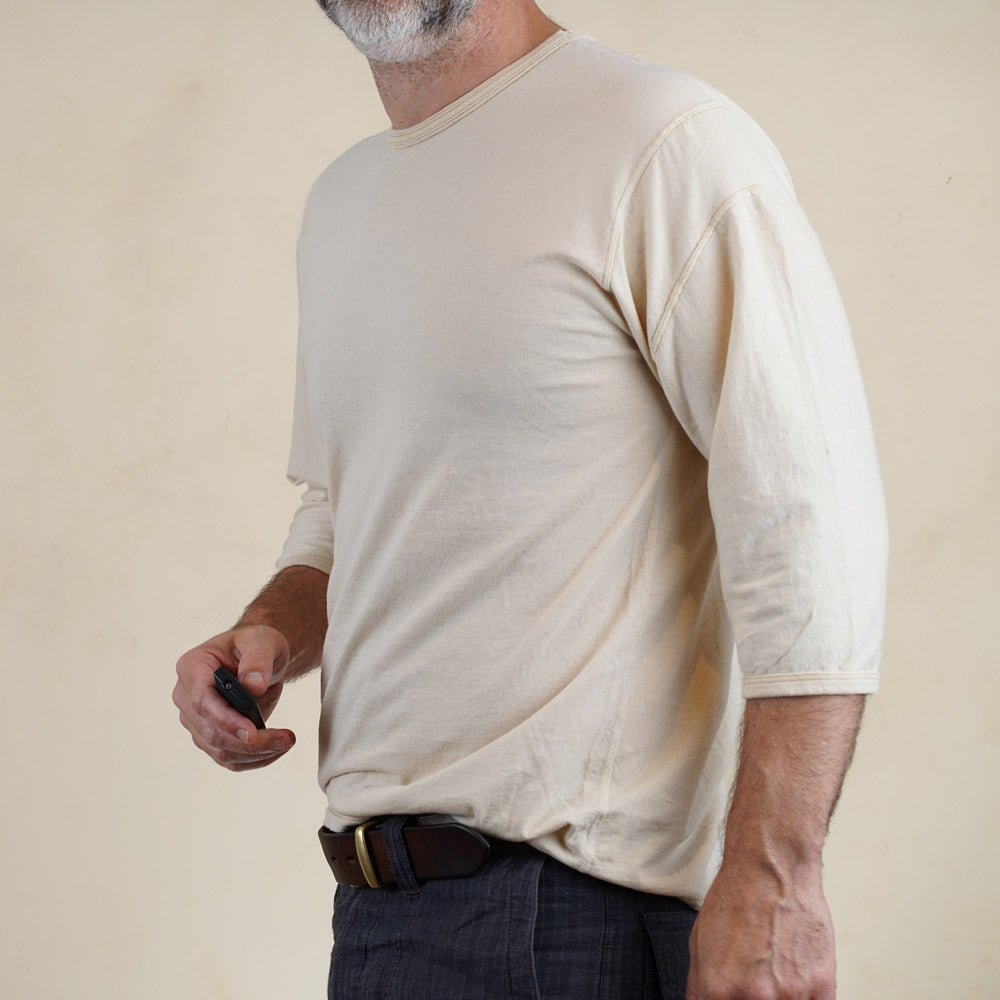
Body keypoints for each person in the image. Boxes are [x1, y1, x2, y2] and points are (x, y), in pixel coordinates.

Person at [173, 1, 888, 997]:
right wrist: (272, 631)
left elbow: (810, 512)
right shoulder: (342, 201)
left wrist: (776, 875)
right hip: (377, 915)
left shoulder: (662, 140)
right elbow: (346, 505)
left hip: (566, 921)